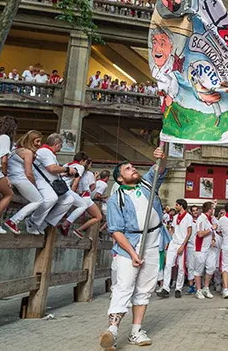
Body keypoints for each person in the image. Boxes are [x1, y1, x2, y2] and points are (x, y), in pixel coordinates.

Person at [99, 147, 170, 350]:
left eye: (132, 167)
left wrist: (161, 158)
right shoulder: (116, 199)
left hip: (154, 242)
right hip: (129, 245)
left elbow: (160, 170)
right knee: (123, 286)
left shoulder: (148, 184)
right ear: (120, 179)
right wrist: (132, 253)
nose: (133, 169)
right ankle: (112, 329)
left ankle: (136, 331)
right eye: (128, 169)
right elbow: (116, 230)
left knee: (145, 289)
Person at [27, 133, 75, 233]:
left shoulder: (50, 153)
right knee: (51, 198)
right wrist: (67, 169)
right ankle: (32, 221)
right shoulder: (45, 151)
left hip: (50, 183)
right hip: (42, 182)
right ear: (57, 144)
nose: (61, 148)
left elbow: (51, 171)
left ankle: (44, 223)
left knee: (69, 199)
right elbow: (52, 168)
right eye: (61, 145)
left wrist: (64, 174)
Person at [3, 130, 46, 234]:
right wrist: (35, 185)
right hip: (20, 179)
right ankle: (13, 221)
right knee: (39, 200)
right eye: (37, 141)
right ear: (31, 140)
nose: (39, 144)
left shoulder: (16, 150)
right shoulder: (28, 152)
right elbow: (29, 173)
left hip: (11, 178)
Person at [59, 152, 102, 238]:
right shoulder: (87, 172)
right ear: (84, 161)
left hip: (66, 191)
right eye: (90, 164)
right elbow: (92, 187)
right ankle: (77, 229)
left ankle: (63, 225)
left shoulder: (67, 164)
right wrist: (95, 179)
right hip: (84, 196)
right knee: (98, 216)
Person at [158, 199, 193, 299]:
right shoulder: (175, 217)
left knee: (181, 267)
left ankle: (178, 288)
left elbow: (189, 232)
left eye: (177, 205)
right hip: (173, 242)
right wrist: (168, 242)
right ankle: (165, 288)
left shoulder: (188, 217)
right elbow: (172, 229)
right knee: (168, 265)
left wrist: (183, 245)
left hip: (181, 243)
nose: (175, 206)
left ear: (181, 206)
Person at [193, 201, 217, 299]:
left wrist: (213, 238)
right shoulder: (201, 219)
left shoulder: (209, 219)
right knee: (198, 270)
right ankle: (198, 290)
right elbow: (200, 234)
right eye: (213, 208)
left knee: (211, 267)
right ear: (209, 209)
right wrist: (211, 229)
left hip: (209, 248)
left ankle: (206, 288)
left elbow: (213, 231)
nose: (213, 210)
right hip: (200, 249)